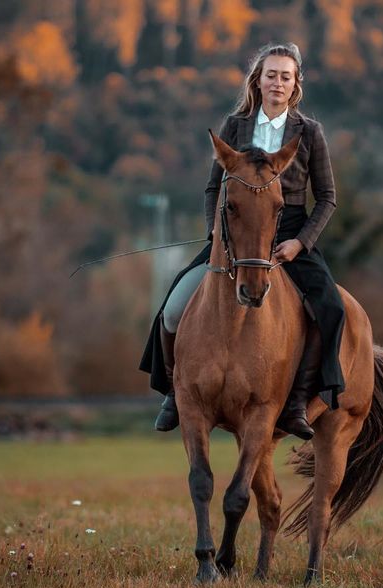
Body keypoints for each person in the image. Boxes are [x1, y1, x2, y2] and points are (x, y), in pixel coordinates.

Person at [139, 42, 345, 440]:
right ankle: (172, 393)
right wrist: (215, 230)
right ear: (259, 80)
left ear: (295, 83)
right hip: (233, 237)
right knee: (172, 305)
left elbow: (329, 198)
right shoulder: (235, 125)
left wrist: (301, 243)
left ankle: (299, 400)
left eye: (286, 76)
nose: (278, 83)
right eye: (271, 75)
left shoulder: (311, 133)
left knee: (332, 308)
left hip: (288, 235)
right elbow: (212, 188)